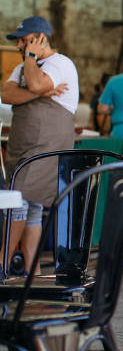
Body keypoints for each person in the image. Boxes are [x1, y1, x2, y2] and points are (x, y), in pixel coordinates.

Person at [2, 16, 78, 274]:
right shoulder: (22, 67)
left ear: (39, 39)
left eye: (24, 41)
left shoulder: (60, 63)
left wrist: (32, 62)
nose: (19, 46)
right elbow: (6, 94)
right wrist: (42, 91)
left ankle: (1, 264)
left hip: (46, 143)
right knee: (30, 205)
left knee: (19, 201)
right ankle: (32, 272)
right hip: (21, 145)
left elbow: (34, 82)